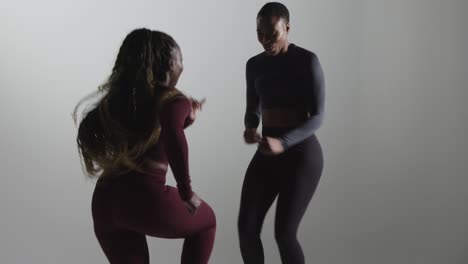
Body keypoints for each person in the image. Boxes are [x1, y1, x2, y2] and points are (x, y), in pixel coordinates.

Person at [74, 28, 216, 264]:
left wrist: (186, 117)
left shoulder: (122, 99)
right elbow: (172, 134)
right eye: (181, 60)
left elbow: (154, 132)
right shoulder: (173, 99)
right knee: (207, 222)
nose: (182, 66)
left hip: (105, 203)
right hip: (144, 198)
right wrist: (186, 191)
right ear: (170, 64)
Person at [237, 2, 325, 264]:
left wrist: (284, 142)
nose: (264, 40)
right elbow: (253, 108)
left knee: (284, 234)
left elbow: (318, 117)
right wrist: (251, 127)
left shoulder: (307, 60)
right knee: (246, 229)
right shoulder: (253, 65)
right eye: (259, 33)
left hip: (301, 155)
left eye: (271, 33)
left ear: (287, 28)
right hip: (267, 152)